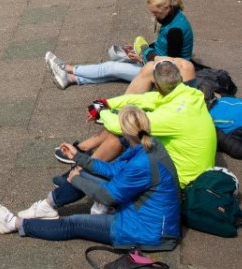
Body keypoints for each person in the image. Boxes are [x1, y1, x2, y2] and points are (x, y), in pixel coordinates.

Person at [0, 106, 180, 250]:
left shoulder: (141, 163)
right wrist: (78, 158)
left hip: (148, 232)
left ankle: (13, 224)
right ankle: (47, 205)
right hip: (147, 216)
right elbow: (114, 169)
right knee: (84, 174)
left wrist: (76, 179)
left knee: (74, 223)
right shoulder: (150, 145)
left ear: (124, 130)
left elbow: (108, 196)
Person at [60, 61, 215, 191]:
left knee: (124, 138)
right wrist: (104, 103)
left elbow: (118, 126)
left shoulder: (171, 116)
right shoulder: (188, 94)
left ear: (158, 86)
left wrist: (102, 112)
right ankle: (81, 172)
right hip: (190, 169)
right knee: (127, 142)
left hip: (181, 181)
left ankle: (76, 182)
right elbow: (143, 100)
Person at [45, 0, 192, 88]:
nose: (154, 16)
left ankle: (67, 68)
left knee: (112, 67)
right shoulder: (173, 18)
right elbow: (163, 48)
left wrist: (142, 58)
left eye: (155, 13)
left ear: (166, 8)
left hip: (166, 76)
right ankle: (72, 79)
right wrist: (139, 50)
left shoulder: (175, 31)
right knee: (117, 61)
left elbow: (170, 64)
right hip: (156, 62)